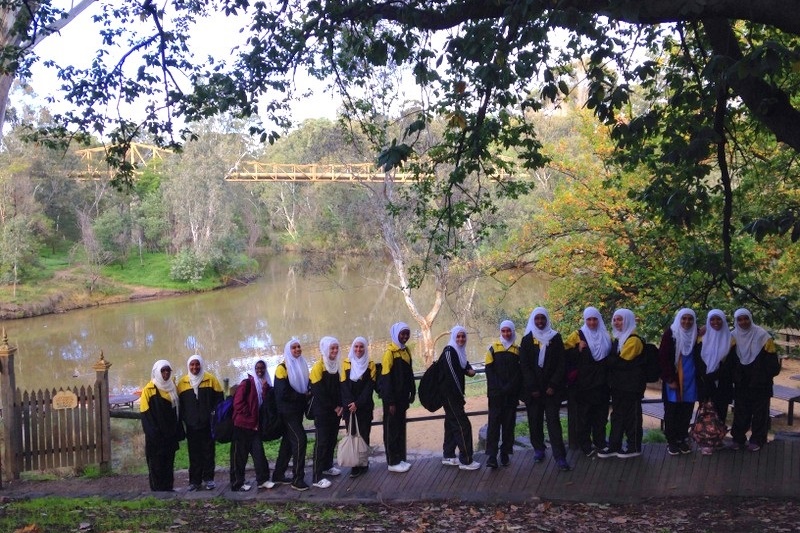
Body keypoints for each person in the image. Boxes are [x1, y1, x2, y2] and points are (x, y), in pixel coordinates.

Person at [519, 307, 570, 472]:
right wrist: (532, 386)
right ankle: (539, 449)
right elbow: (524, 366)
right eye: (537, 319)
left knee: (553, 422)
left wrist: (553, 385)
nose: (540, 322)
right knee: (534, 421)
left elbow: (561, 363)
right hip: (533, 391)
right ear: (533, 320)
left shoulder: (555, 338)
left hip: (551, 391)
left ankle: (560, 456)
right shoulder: (527, 340)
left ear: (547, 319)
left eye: (542, 319)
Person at [563, 307, 611, 457]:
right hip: (584, 385)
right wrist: (577, 349)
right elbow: (564, 356)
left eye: (594, 319)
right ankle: (585, 445)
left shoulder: (605, 336)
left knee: (601, 416)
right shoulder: (577, 335)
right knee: (584, 416)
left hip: (602, 384)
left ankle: (600, 442)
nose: (592, 322)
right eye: (589, 319)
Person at [730, 308, 781, 452]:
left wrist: (761, 376)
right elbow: (729, 361)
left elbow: (773, 366)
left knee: (760, 413)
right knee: (740, 412)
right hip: (741, 383)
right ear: (736, 321)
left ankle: (757, 439)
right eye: (739, 319)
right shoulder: (732, 337)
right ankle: (738, 439)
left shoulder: (763, 336)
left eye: (746, 318)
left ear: (750, 318)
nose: (743, 322)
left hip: (761, 384)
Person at [598, 308, 645, 459]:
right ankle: (614, 445)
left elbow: (621, 362)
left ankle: (634, 446)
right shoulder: (619, 339)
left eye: (621, 319)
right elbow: (614, 361)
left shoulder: (634, 340)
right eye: (615, 319)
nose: (617, 323)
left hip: (632, 387)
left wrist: (609, 361)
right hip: (618, 386)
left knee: (632, 417)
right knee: (617, 416)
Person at [177, 354, 224, 491]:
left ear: (201, 365)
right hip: (192, 425)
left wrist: (213, 415)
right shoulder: (182, 383)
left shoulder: (211, 380)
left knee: (208, 452)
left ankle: (209, 478)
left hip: (207, 424)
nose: (195, 367)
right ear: (188, 366)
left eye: (197, 364)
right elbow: (180, 405)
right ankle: (194, 481)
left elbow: (219, 400)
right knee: (194, 453)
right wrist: (186, 418)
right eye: (192, 365)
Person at [658, 308, 700, 456]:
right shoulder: (671, 334)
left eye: (690, 319)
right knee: (672, 411)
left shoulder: (696, 334)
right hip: (674, 380)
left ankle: (682, 438)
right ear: (679, 319)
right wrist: (669, 379)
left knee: (686, 411)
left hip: (691, 380)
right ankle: (672, 441)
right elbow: (663, 358)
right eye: (684, 318)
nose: (687, 321)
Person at [439, 325, 480, 471]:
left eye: (463, 336)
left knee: (451, 424)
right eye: (458, 336)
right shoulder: (449, 351)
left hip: (453, 395)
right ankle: (466, 460)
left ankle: (448, 455)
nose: (461, 339)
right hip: (450, 395)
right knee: (463, 425)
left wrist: (468, 369)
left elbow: (461, 364)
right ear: (453, 337)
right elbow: (452, 375)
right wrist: (459, 396)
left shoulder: (458, 351)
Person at [229, 359, 274, 492]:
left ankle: (263, 480)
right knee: (239, 457)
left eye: (262, 368)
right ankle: (238, 483)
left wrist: (265, 388)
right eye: (257, 368)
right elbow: (237, 403)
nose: (260, 370)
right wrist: (249, 417)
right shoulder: (247, 383)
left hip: (254, 427)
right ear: (253, 369)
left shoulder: (263, 384)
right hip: (242, 426)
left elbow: (264, 404)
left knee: (259, 453)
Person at [272, 338, 311, 491]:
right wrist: (303, 396)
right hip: (287, 413)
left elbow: (305, 384)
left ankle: (278, 474)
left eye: (298, 347)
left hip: (298, 410)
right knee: (300, 440)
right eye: (293, 348)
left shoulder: (302, 363)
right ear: (289, 350)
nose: (297, 350)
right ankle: (297, 478)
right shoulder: (282, 368)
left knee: (288, 442)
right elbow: (283, 393)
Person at [140, 359, 184, 491]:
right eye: (163, 371)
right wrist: (155, 435)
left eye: (167, 370)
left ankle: (168, 489)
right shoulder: (148, 390)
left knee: (168, 465)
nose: (165, 373)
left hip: (170, 436)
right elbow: (146, 416)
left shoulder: (173, 388)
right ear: (157, 372)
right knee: (156, 466)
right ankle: (158, 493)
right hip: (156, 438)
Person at [379, 322, 416, 473]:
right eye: (402, 334)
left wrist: (413, 392)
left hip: (402, 398)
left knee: (400, 428)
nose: (405, 336)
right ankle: (392, 462)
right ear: (396, 334)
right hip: (392, 400)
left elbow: (409, 374)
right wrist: (390, 402)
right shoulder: (390, 353)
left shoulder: (405, 350)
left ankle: (400, 458)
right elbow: (386, 379)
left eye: (407, 333)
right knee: (391, 430)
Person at [484, 320, 521, 468]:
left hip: (511, 395)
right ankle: (492, 456)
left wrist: (509, 387)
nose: (506, 334)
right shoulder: (493, 348)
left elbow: (519, 373)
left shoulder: (517, 350)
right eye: (503, 331)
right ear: (500, 331)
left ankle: (505, 452)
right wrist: (499, 388)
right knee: (493, 425)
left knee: (508, 424)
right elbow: (489, 371)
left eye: (509, 331)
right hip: (495, 395)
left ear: (512, 331)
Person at [309, 336, 344, 489]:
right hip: (323, 412)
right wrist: (334, 407)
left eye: (336, 348)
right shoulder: (318, 367)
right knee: (321, 443)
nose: (335, 351)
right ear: (325, 349)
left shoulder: (337, 365)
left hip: (335, 412)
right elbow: (319, 392)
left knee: (331, 439)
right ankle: (317, 476)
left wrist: (341, 406)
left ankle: (327, 466)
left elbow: (340, 388)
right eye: (332, 348)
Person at [340, 336, 377, 478]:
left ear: (365, 348)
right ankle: (354, 465)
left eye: (361, 347)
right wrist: (351, 404)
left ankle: (363, 462)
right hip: (349, 408)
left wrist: (358, 404)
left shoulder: (371, 364)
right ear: (352, 348)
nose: (358, 349)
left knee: (364, 434)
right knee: (352, 433)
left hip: (364, 406)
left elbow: (369, 387)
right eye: (356, 346)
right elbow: (343, 385)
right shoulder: (345, 363)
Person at [696, 309, 734, 438]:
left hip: (723, 383)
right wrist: (706, 378)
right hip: (705, 383)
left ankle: (717, 439)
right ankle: (703, 439)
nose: (715, 322)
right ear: (708, 321)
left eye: (718, 319)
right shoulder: (702, 339)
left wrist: (714, 376)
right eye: (712, 319)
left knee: (720, 413)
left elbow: (730, 364)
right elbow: (697, 359)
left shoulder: (731, 340)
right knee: (704, 413)